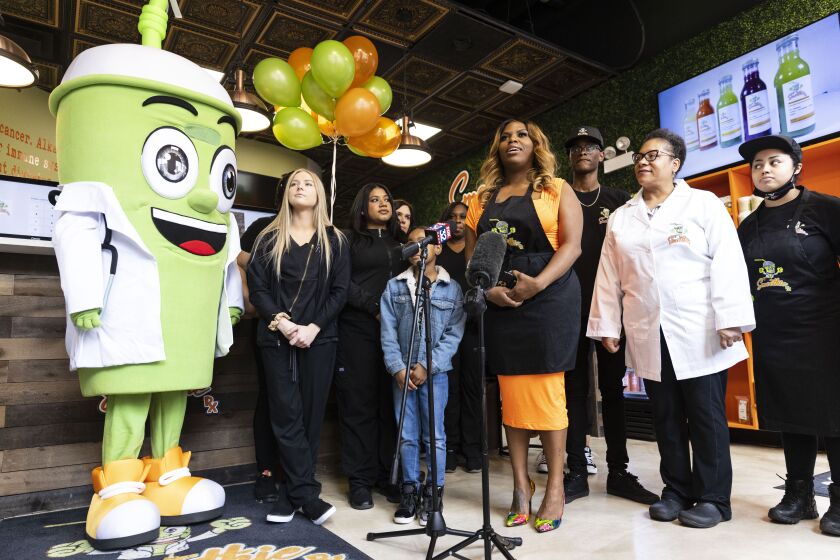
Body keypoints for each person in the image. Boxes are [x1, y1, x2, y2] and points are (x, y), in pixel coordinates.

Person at [588, 128, 755, 529]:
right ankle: (677, 490)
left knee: (705, 414)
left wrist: (730, 317)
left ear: (675, 163)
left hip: (700, 327)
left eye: (653, 155)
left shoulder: (702, 203)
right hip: (649, 329)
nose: (643, 161)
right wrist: (608, 324)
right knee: (665, 415)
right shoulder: (622, 217)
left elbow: (728, 259)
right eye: (639, 157)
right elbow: (608, 275)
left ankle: (714, 498)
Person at [465, 119, 583, 533]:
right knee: (511, 397)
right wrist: (491, 290)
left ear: (536, 145)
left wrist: (538, 285)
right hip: (503, 299)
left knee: (549, 394)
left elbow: (572, 245)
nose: (513, 140)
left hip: (550, 295)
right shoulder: (481, 200)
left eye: (522, 135)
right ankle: (520, 485)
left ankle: (554, 486)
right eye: (505, 136)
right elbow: (471, 258)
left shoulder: (556, 189)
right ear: (496, 148)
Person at [736, 134, 840, 536]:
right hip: (773, 332)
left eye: (774, 161)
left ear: (796, 167)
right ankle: (799, 493)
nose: (764, 169)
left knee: (833, 414)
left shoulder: (825, 209)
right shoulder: (748, 226)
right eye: (757, 164)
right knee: (791, 414)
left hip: (826, 329)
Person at [247, 169, 350, 526]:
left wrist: (313, 327)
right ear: (286, 193)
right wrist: (285, 323)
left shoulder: (334, 239)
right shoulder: (267, 238)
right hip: (276, 338)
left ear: (319, 193)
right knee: (285, 415)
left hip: (320, 339)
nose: (300, 187)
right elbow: (257, 289)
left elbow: (340, 291)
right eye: (294, 183)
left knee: (309, 416)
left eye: (308, 183)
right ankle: (307, 495)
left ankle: (291, 493)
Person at [561, 126, 657, 505]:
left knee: (614, 392)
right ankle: (576, 472)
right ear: (569, 157)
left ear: (603, 156)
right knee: (572, 393)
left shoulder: (620, 201)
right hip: (566, 310)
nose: (583, 151)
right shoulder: (556, 199)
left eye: (591, 146)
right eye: (576, 146)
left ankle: (618, 471)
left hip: (610, 312)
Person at [380, 225, 466, 525]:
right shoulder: (394, 287)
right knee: (407, 435)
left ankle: (434, 492)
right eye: (413, 243)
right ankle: (410, 491)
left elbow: (454, 334)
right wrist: (398, 367)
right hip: (402, 374)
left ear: (438, 248)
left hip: (435, 374)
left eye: (426, 243)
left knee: (435, 436)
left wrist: (428, 365)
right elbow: (387, 332)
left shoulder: (451, 288)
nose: (420, 248)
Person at [335, 183, 405, 509]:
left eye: (386, 198)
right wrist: (374, 307)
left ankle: (387, 476)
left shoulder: (400, 244)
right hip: (358, 330)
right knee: (358, 406)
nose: (383, 203)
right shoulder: (348, 241)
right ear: (363, 208)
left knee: (389, 407)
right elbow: (341, 282)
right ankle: (359, 481)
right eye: (374, 200)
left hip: (395, 336)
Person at [237, 174, 288, 503]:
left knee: (302, 401)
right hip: (270, 324)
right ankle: (267, 471)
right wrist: (253, 301)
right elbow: (238, 258)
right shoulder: (262, 228)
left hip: (312, 328)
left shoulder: (320, 230)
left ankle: (296, 471)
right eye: (290, 187)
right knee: (271, 397)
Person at [437, 201, 482, 474]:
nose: (457, 221)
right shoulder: (438, 250)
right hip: (444, 330)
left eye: (463, 217)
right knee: (448, 391)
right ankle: (450, 448)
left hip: (474, 325)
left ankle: (473, 449)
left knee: (472, 389)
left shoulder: (475, 249)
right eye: (452, 217)